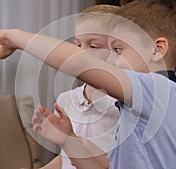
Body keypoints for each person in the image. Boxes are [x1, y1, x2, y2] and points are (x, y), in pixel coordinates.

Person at [0, 0, 176, 168]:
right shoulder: (138, 108)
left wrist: (14, 37)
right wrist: (68, 140)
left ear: (157, 49)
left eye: (118, 49)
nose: (112, 59)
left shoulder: (161, 92)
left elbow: (78, 63)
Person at [40, 5, 120, 169]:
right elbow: (65, 158)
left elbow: (118, 163)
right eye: (77, 45)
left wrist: (74, 141)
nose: (80, 53)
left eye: (93, 46)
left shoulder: (123, 105)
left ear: (118, 51)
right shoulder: (66, 100)